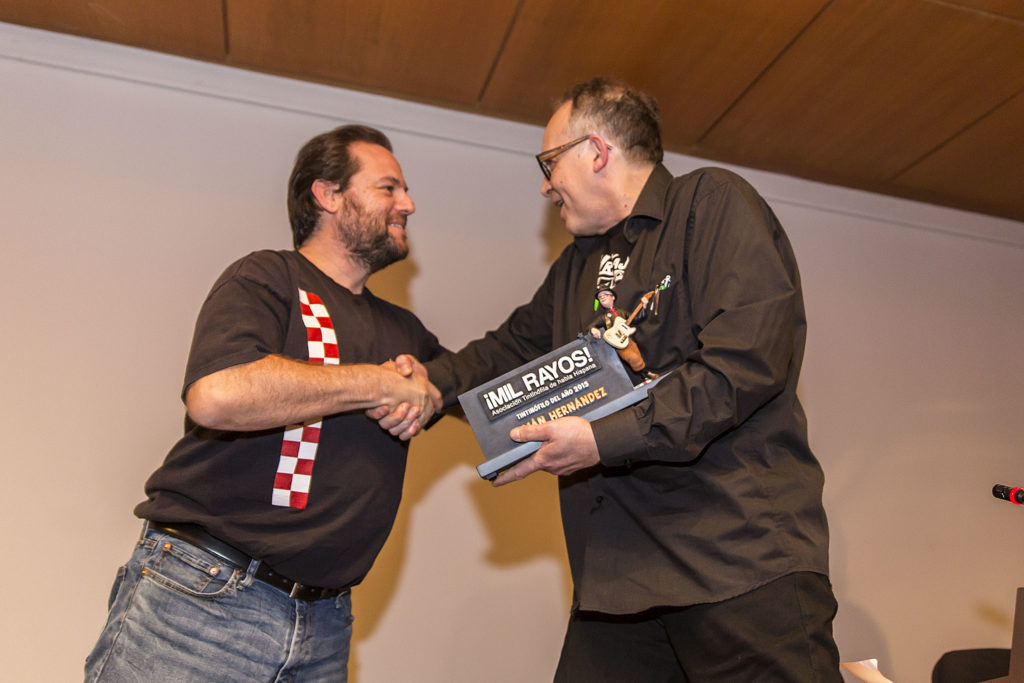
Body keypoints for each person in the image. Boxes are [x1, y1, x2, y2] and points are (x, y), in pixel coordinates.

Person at [415, 78, 842, 680]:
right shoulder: (575, 268)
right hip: (618, 588)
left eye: (549, 162)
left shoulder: (710, 202)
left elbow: (742, 365)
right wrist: (424, 385)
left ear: (596, 151)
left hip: (740, 565)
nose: (544, 185)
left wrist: (599, 439)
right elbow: (508, 353)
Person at [85, 125, 443, 681]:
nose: (409, 204)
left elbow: (487, 389)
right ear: (327, 195)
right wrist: (379, 384)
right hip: (202, 599)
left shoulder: (405, 332)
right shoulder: (268, 277)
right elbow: (217, 394)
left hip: (326, 626)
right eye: (388, 188)